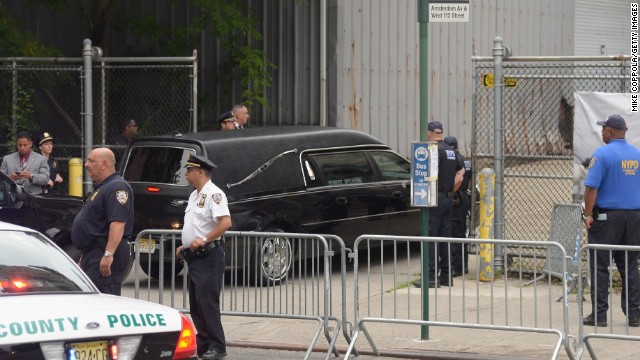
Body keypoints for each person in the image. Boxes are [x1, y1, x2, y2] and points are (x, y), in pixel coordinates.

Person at [582, 114, 640, 328]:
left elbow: (591, 188)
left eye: (604, 128)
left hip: (607, 218)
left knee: (600, 265)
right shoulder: (637, 154)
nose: (602, 131)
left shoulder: (602, 154)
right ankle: (634, 314)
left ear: (612, 132)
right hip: (634, 218)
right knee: (630, 266)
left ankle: (599, 315)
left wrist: (588, 215)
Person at [176, 154, 231, 360]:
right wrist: (185, 245)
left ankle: (218, 346)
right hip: (195, 257)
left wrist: (205, 239)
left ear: (200, 172)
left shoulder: (214, 194)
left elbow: (225, 223)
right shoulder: (194, 195)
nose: (186, 174)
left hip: (209, 256)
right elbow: (196, 226)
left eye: (189, 170)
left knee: (208, 303)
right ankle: (205, 343)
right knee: (197, 305)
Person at [71, 148, 134, 296]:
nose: (86, 164)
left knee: (105, 300)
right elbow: (94, 226)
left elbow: (118, 223)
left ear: (104, 164)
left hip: (103, 253)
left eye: (91, 161)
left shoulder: (117, 187)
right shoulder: (103, 187)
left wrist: (108, 254)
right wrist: (84, 256)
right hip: (93, 253)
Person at [415, 121, 465, 288]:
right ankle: (446, 276)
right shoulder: (450, 151)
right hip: (447, 199)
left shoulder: (433, 150)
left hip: (434, 199)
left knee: (430, 238)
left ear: (430, 133)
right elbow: (461, 172)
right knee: (444, 238)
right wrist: (452, 188)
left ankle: (429, 277)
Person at [444, 136, 472, 277]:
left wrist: (451, 192)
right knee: (460, 234)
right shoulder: (465, 160)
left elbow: (457, 179)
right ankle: (463, 265)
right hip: (464, 197)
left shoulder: (453, 159)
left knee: (453, 234)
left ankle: (456, 267)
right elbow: (469, 182)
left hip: (456, 198)